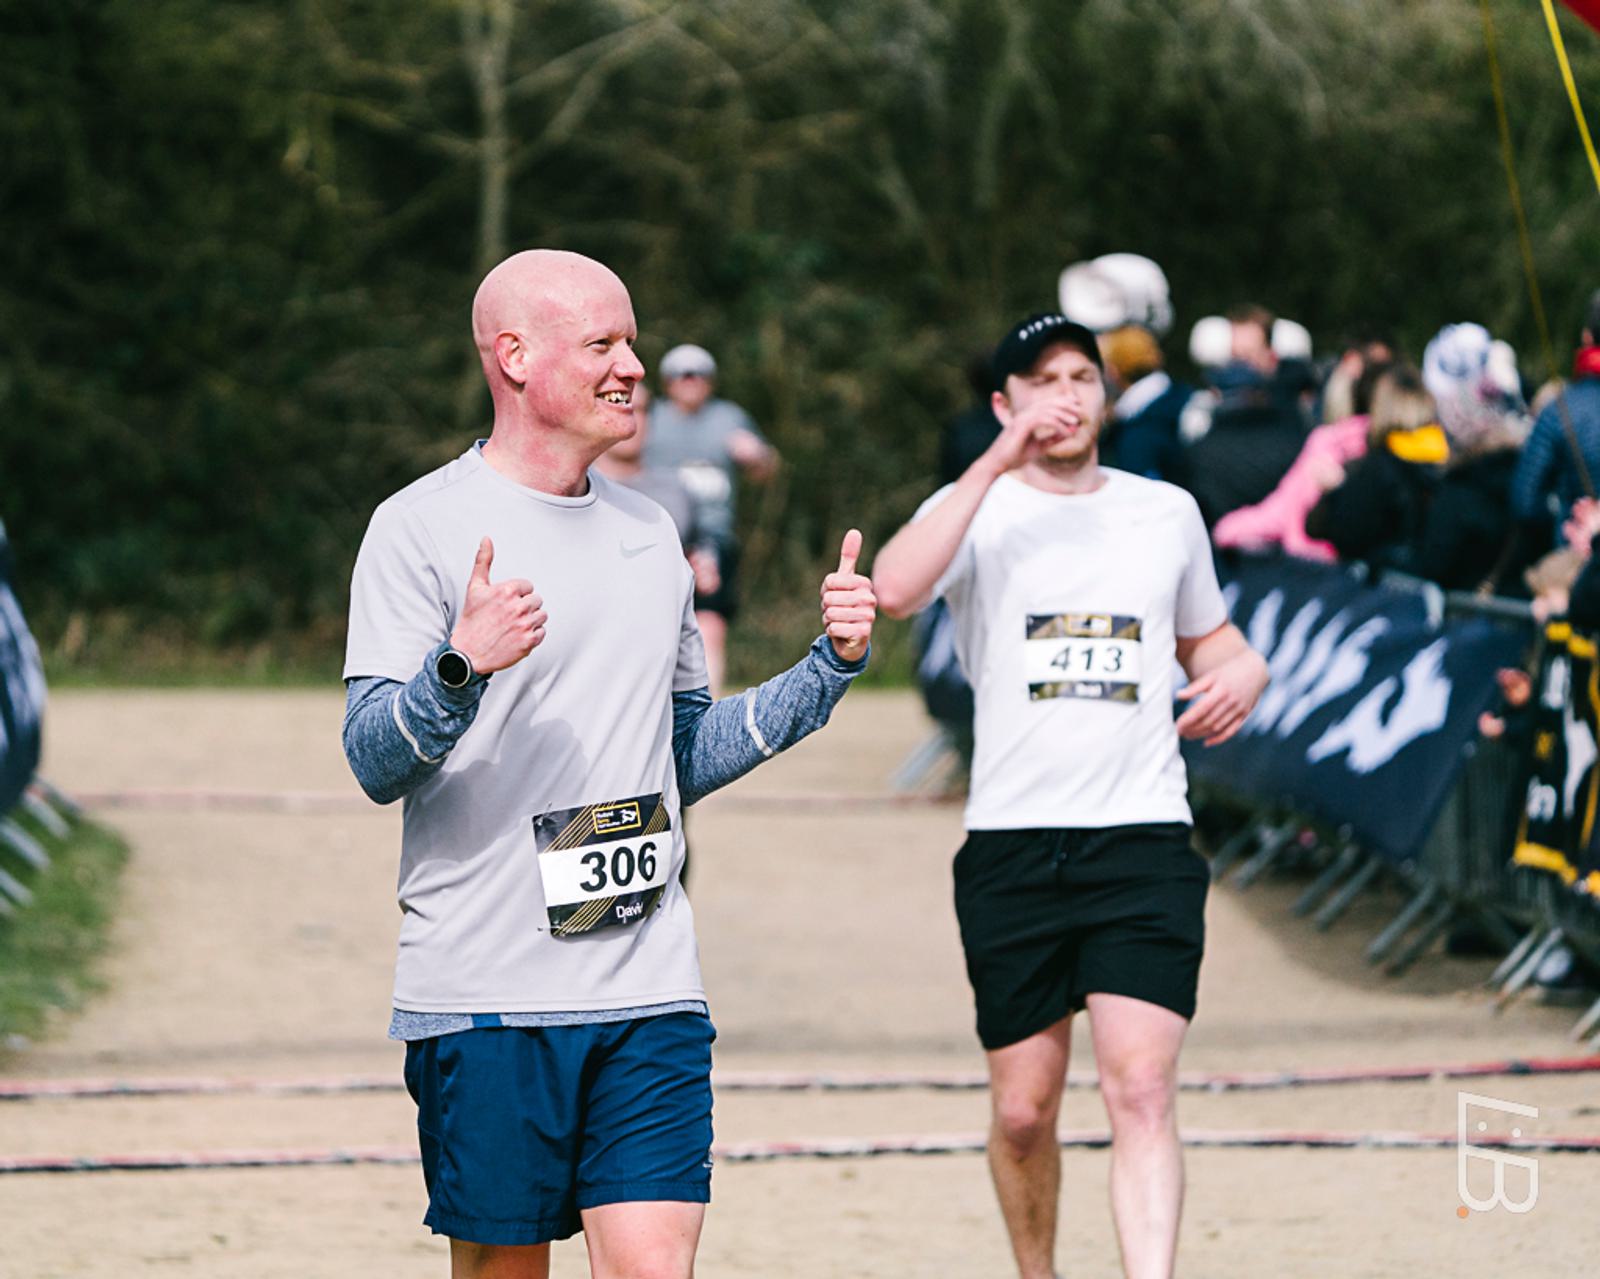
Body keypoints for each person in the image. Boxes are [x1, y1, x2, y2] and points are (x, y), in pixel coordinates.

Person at [340, 249, 877, 1279]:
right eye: (604, 344)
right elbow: (374, 761)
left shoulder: (650, 531)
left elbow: (681, 752)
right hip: (489, 995)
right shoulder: (417, 528)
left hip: (649, 988)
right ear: (514, 356)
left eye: (631, 340)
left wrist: (829, 667)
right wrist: (460, 668)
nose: (632, 365)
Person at [872, 312, 1269, 1279]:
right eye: (1043, 379)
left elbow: (1211, 642)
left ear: (1107, 392)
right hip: (1013, 842)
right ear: (1007, 402)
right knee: (1022, 1112)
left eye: (1083, 376)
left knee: (1141, 1090)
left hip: (1139, 838)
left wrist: (1246, 669)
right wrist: (992, 462)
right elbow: (893, 587)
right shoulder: (975, 510)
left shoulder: (1162, 510)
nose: (1068, 395)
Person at [644, 343, 779, 695]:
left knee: (710, 624)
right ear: (668, 382)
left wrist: (757, 455)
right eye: (683, 376)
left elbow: (767, 469)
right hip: (655, 535)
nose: (691, 383)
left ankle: (706, 706)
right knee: (653, 623)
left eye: (699, 376)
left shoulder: (729, 419)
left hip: (713, 538)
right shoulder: (650, 419)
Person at [1512, 287, 1600, 538]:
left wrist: (1564, 521)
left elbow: (1524, 501)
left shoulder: (1560, 410)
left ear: (1586, 337)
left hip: (1578, 563)